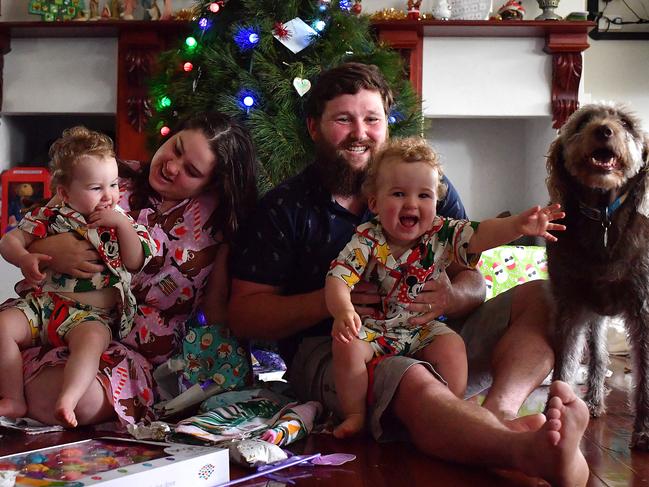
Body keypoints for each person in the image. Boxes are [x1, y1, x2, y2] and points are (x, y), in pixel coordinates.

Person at [229, 62, 589, 486]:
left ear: (387, 124)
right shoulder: (285, 208)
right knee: (410, 376)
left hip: (429, 334)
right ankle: (525, 452)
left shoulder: (427, 188)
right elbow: (243, 314)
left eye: (372, 119)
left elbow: (472, 275)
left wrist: (453, 298)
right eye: (343, 120)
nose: (360, 132)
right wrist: (333, 304)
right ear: (314, 127)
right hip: (342, 350)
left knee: (545, 297)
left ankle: (498, 415)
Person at [14, 112, 257, 427]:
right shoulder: (111, 177)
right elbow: (32, 233)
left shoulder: (218, 231)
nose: (171, 166)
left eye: (191, 171)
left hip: (131, 350)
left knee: (75, 400)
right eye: (177, 148)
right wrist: (45, 250)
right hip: (53, 315)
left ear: (212, 183)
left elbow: (216, 311)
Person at [325, 136, 565, 438]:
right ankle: (356, 414)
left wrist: (517, 226)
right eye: (398, 193)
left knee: (452, 346)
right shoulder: (366, 240)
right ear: (374, 202)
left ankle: (455, 410)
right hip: (375, 329)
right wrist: (344, 310)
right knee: (345, 346)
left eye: (424, 196)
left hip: (422, 328)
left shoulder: (442, 232)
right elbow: (337, 278)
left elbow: (480, 233)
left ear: (436, 203)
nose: (412, 203)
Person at [0, 127, 157, 428]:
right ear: (65, 193)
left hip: (90, 316)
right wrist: (24, 257)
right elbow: (9, 241)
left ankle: (68, 399)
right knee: (4, 325)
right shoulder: (50, 216)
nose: (109, 195)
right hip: (44, 306)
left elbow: (136, 261)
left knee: (91, 343)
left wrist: (122, 227)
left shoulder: (120, 221)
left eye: (113, 185)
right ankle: (13, 397)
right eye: (96, 188)